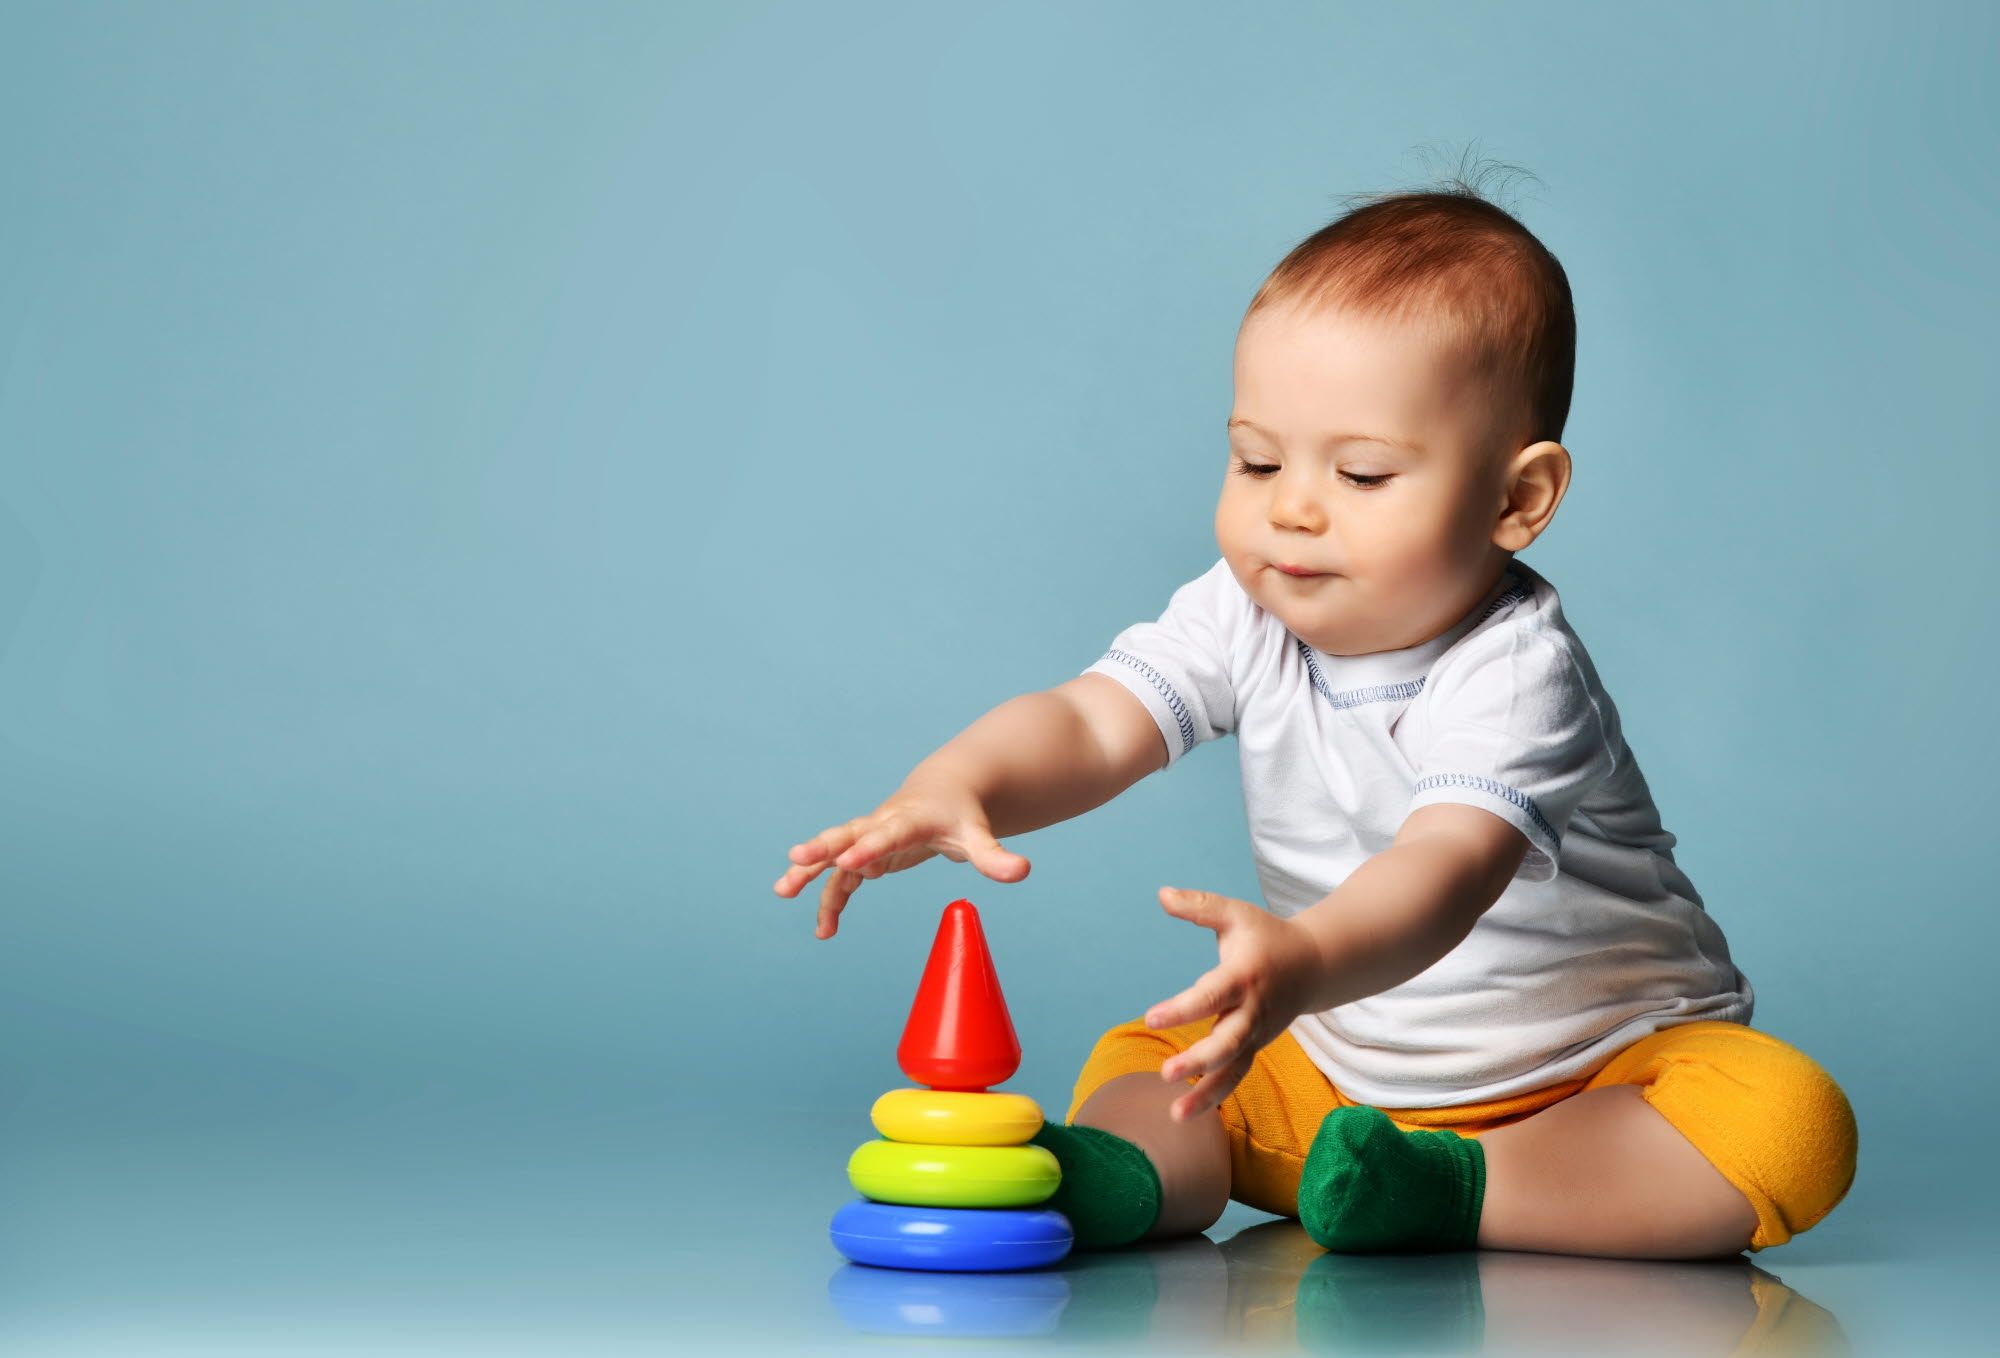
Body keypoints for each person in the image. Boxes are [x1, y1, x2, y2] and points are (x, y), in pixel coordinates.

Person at [774, 172, 1857, 1260]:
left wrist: (1301, 956)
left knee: (1785, 1124)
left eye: (1361, 471)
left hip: (1590, 1079)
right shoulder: (1247, 606)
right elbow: (1094, 721)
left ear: (1515, 501)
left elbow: (1441, 874)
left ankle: (1454, 1188)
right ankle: (1122, 1177)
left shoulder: (1517, 670)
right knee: (1162, 1050)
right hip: (1334, 1062)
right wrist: (959, 780)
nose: (1290, 504)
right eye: (1255, 458)